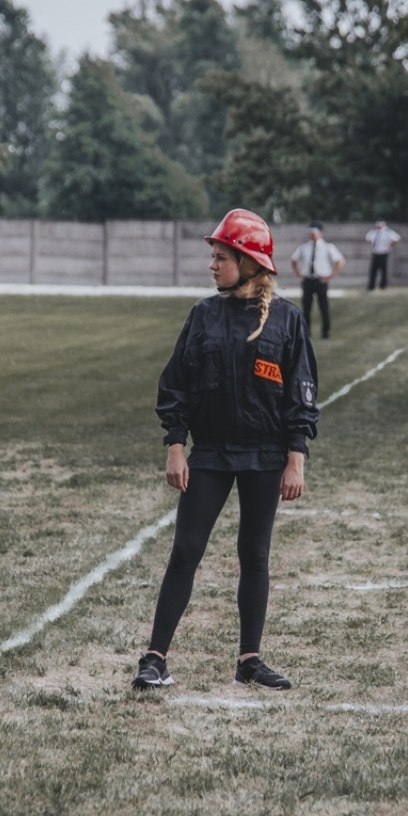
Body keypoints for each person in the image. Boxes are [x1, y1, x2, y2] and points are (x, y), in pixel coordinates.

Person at [134, 209, 319, 692]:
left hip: (265, 454)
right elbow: (175, 386)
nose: (212, 265)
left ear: (249, 261)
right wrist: (177, 446)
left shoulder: (287, 319)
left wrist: (295, 457)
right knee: (186, 551)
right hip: (211, 452)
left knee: (254, 554)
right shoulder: (203, 314)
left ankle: (249, 661)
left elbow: (301, 391)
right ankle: (155, 659)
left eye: (221, 257)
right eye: (212, 257)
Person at [290, 222, 344, 339]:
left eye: (315, 233)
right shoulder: (304, 247)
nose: (312, 235)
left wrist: (330, 276)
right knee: (306, 307)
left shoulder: (327, 246)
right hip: (308, 279)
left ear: (320, 233)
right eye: (311, 233)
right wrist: (299, 273)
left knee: (323, 307)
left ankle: (325, 332)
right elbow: (293, 260)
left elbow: (339, 261)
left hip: (321, 280)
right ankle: (306, 333)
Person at [365, 220, 401, 290]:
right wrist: (372, 245)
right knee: (373, 270)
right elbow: (368, 238)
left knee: (384, 270)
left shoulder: (388, 232)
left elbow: (397, 238)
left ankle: (383, 285)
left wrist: (390, 246)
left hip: (384, 252)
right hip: (375, 252)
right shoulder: (374, 232)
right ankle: (371, 285)